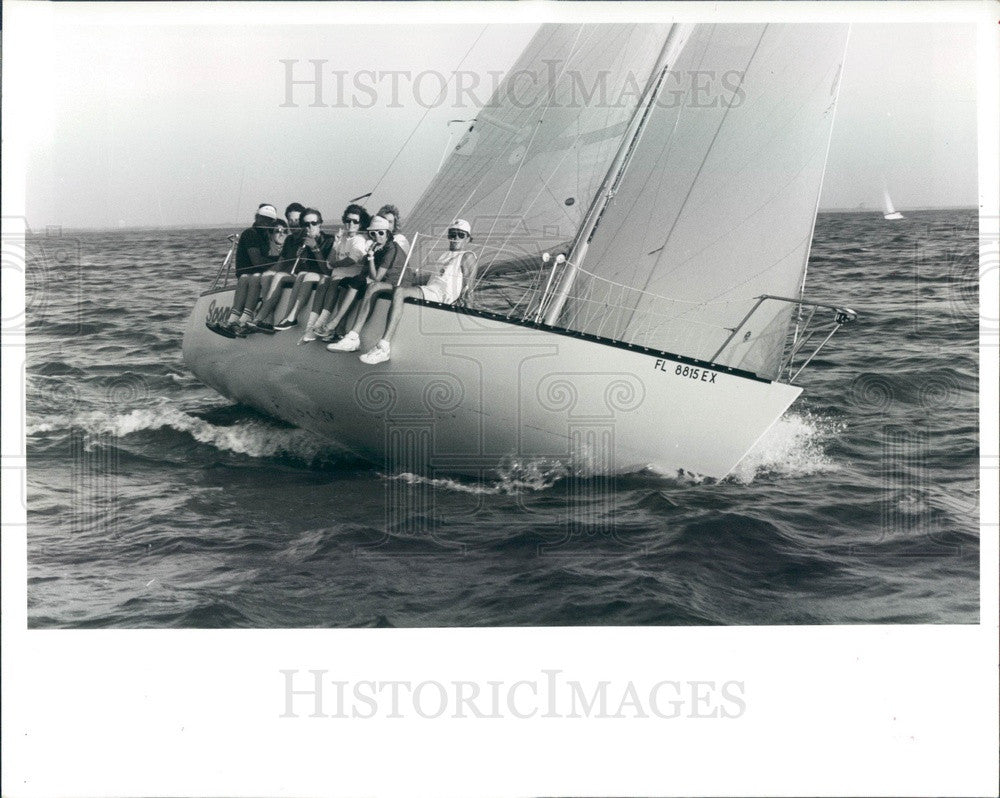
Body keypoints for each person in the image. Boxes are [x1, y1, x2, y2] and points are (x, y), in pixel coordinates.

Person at [335, 219, 476, 364]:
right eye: (452, 234)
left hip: (440, 296)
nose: (455, 238)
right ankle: (353, 337)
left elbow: (469, 288)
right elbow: (438, 278)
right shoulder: (444, 255)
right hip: (428, 289)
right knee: (374, 286)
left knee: (400, 292)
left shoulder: (468, 255)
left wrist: (469, 317)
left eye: (461, 235)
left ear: (468, 238)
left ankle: (384, 346)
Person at [302, 215, 402, 343]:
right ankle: (339, 329)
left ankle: (334, 323)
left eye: (381, 233)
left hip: (393, 284)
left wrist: (370, 258)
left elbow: (377, 278)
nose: (377, 236)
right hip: (377, 280)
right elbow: (367, 272)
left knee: (355, 281)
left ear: (388, 233)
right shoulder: (377, 246)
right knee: (345, 283)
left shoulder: (391, 249)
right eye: (373, 233)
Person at [297, 203, 371, 337]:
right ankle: (311, 325)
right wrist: (336, 243)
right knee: (323, 284)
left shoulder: (359, 240)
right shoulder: (341, 238)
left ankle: (321, 322)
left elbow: (351, 260)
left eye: (355, 221)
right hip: (336, 275)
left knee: (332, 283)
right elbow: (330, 260)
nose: (351, 224)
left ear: (361, 224)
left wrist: (334, 265)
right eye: (348, 220)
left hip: (347, 276)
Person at [208, 204, 282, 337]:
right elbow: (257, 261)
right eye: (263, 218)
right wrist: (280, 260)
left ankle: (238, 320)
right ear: (257, 217)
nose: (266, 222)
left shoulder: (267, 235)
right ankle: (236, 320)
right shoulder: (250, 234)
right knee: (249, 278)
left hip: (255, 275)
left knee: (251, 278)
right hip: (250, 273)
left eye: (270, 220)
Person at [271, 207, 337, 330]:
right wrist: (302, 256)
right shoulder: (304, 241)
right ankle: (287, 317)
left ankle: (292, 317)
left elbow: (327, 270)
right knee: (301, 274)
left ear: (320, 224)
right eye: (306, 224)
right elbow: (304, 268)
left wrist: (315, 249)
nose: (310, 227)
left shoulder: (330, 240)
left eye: (314, 223)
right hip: (310, 277)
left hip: (326, 277)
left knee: (306, 275)